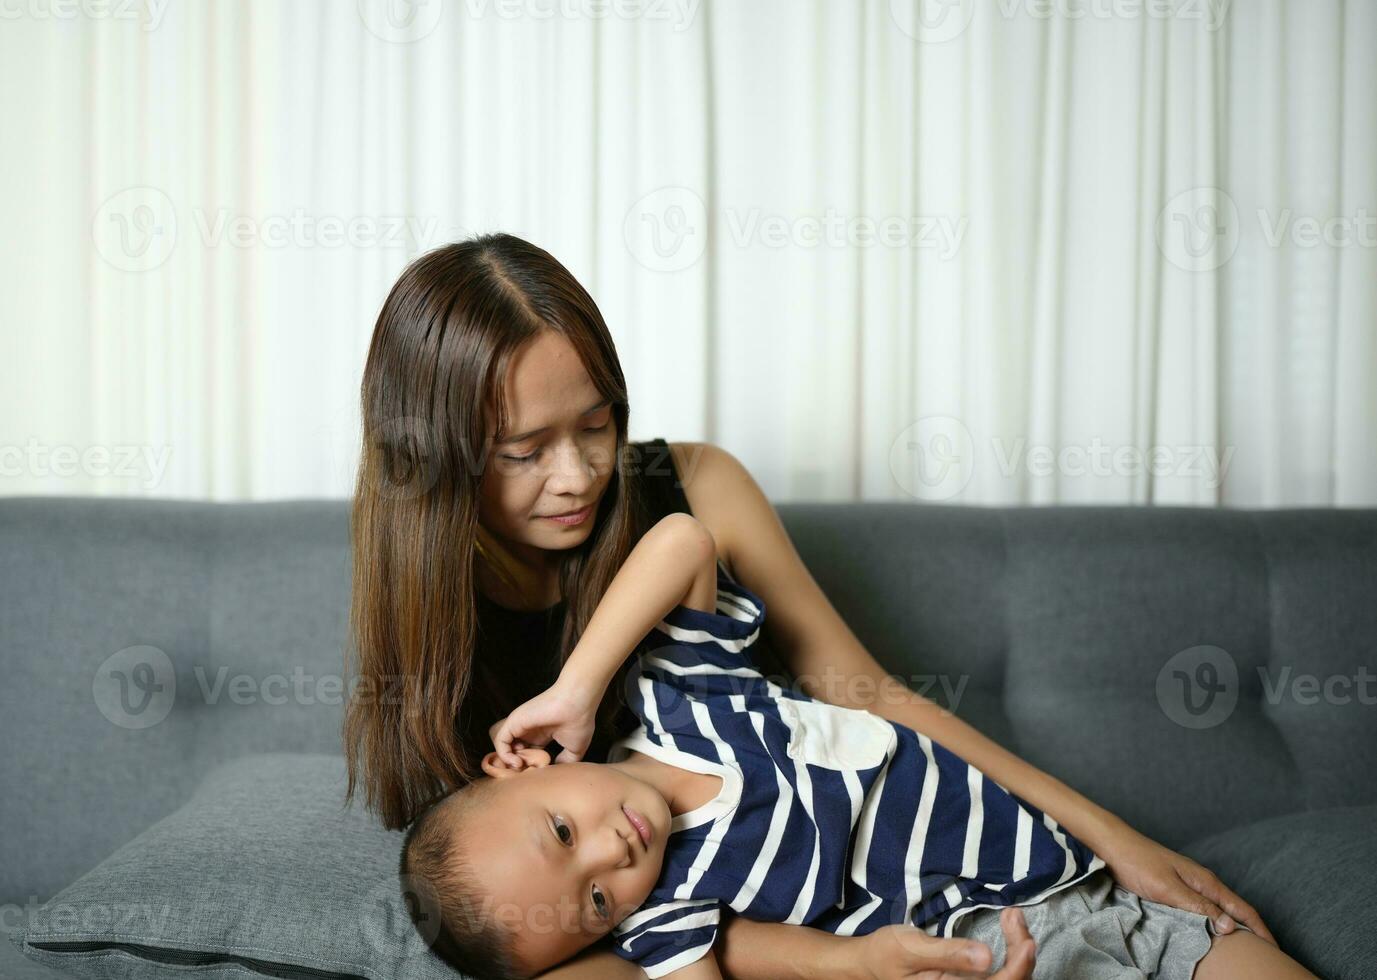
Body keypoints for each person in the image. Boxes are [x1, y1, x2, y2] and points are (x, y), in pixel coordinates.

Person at [344, 232, 1304, 980]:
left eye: (597, 424)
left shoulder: (688, 493)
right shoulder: (442, 646)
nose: (578, 475)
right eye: (523, 451)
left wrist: (1117, 839)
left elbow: (867, 695)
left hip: (986, 869)